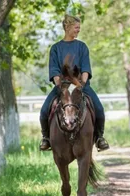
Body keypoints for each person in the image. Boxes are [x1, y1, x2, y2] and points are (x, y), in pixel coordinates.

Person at [39, 14, 109, 152]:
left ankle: (99, 138)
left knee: (99, 110)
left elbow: (86, 69)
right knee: (43, 111)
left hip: (81, 86)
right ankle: (46, 138)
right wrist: (61, 86)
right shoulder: (55, 49)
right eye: (76, 27)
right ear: (67, 27)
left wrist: (81, 84)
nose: (78, 30)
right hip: (63, 87)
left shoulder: (82, 47)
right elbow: (54, 71)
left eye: (79, 28)